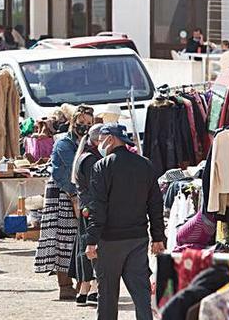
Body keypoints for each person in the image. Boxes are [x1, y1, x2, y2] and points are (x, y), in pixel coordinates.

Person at [84, 124, 165, 320]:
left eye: (101, 138)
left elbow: (98, 207)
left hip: (110, 241)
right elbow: (155, 204)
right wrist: (158, 237)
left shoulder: (102, 166)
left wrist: (91, 240)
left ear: (110, 139)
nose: (99, 143)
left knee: (108, 297)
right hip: (137, 239)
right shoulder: (145, 164)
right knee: (141, 293)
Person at [35, 104, 93, 300]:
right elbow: (71, 172)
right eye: (81, 122)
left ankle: (80, 283)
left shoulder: (86, 143)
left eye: (88, 123)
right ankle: (65, 285)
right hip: (63, 193)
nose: (84, 126)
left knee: (79, 238)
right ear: (73, 121)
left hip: (79, 193)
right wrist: (75, 198)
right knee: (64, 239)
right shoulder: (64, 143)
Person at [69, 125, 103, 306]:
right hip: (92, 208)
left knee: (87, 247)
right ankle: (91, 288)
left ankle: (85, 290)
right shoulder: (91, 159)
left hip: (86, 207)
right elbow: (96, 187)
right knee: (93, 247)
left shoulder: (85, 156)